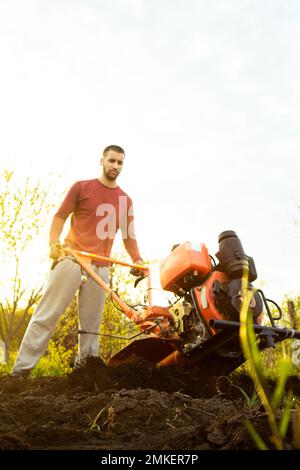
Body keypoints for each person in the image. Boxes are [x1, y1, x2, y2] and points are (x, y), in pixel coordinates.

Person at [12, 145, 143, 376]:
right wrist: (54, 243)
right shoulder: (82, 187)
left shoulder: (125, 200)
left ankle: (84, 375)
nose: (115, 166)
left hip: (101, 267)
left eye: (120, 162)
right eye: (111, 161)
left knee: (91, 329)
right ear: (101, 161)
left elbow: (129, 237)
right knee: (47, 315)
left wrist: (137, 260)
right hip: (73, 259)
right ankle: (20, 371)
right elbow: (60, 216)